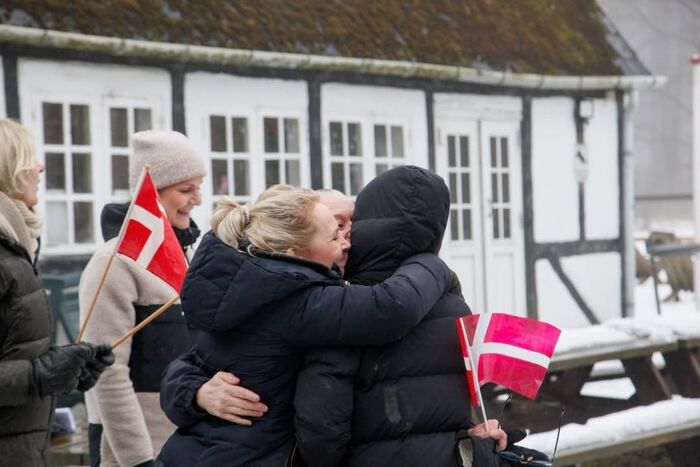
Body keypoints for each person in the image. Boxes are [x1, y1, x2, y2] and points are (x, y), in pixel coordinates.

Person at [156, 187, 456, 466]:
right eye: (335, 234)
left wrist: (194, 392)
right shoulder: (298, 299)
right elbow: (391, 309)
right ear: (293, 252)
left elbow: (188, 363)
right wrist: (431, 263)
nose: (348, 240)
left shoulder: (244, 289)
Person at [293, 166, 509, 467]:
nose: (347, 233)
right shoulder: (455, 307)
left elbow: (321, 433)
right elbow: (454, 409)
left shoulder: (347, 305)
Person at [79, 130, 206, 467]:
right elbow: (107, 372)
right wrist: (138, 458)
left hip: (189, 444)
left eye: (199, 187)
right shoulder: (112, 264)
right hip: (140, 450)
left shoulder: (187, 255)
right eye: (186, 190)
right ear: (151, 193)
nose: (198, 199)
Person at [0, 118, 113, 466]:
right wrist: (39, 376)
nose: (40, 168)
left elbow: (13, 348)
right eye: (29, 159)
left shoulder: (15, 244)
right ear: (8, 172)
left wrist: (66, 369)